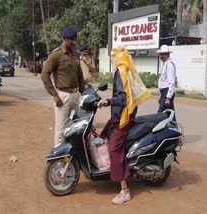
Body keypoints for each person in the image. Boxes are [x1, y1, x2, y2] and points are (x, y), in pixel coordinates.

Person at [97, 47, 151, 205]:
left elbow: (122, 98)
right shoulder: (126, 70)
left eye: (114, 57)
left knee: (114, 148)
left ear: (118, 58)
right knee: (105, 134)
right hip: (123, 115)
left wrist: (107, 101)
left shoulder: (121, 71)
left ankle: (125, 190)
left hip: (123, 117)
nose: (112, 60)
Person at [41, 26, 85, 146]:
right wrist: (54, 95)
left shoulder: (75, 55)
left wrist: (84, 95)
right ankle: (59, 160)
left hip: (75, 95)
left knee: (77, 126)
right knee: (61, 129)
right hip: (62, 96)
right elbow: (44, 74)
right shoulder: (56, 55)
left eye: (75, 39)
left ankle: (73, 156)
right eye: (71, 40)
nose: (74, 42)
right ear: (64, 39)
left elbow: (80, 76)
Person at [156, 45, 176, 119]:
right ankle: (173, 127)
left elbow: (171, 82)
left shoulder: (169, 65)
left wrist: (168, 97)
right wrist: (161, 97)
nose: (161, 56)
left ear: (168, 54)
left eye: (163, 54)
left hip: (167, 92)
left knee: (159, 113)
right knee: (169, 112)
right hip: (164, 93)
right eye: (161, 54)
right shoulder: (165, 64)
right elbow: (164, 81)